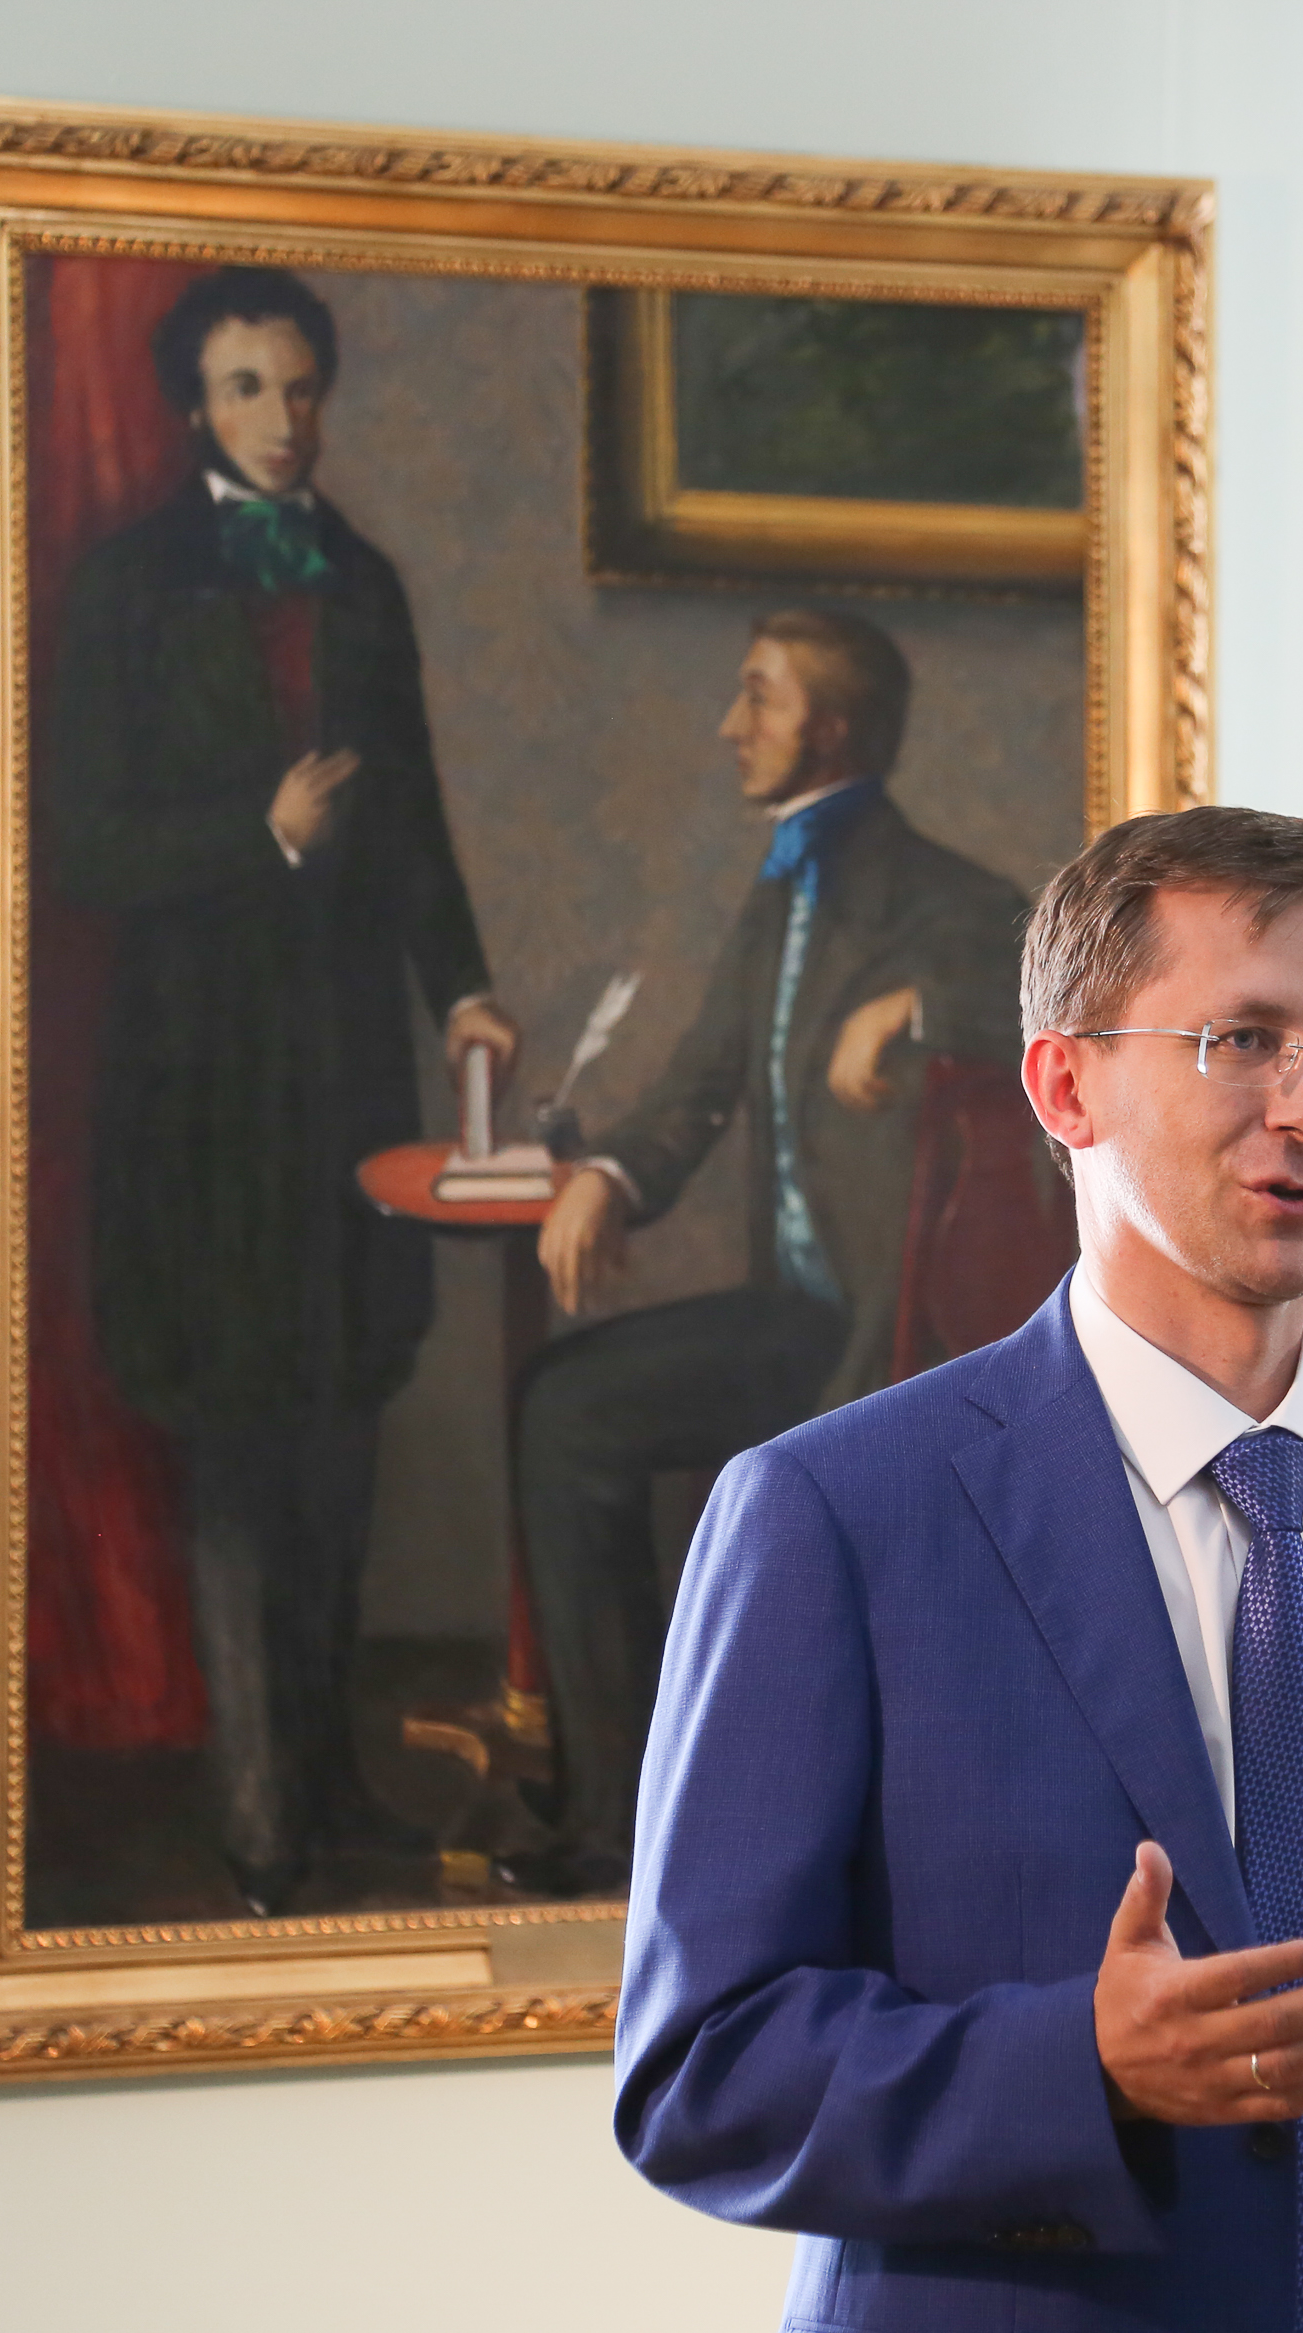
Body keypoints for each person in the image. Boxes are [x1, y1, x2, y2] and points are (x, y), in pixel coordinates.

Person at [613, 807, 1303, 2332]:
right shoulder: (832, 1514)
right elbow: (700, 2071)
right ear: (1065, 1084)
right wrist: (1085, 2063)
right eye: (1242, 1040)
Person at [42, 264, 521, 1917]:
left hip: (342, 1071)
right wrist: (258, 834)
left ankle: (327, 1784)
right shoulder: (127, 585)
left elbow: (415, 820)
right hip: (195, 1081)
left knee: (337, 1423)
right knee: (241, 1430)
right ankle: (259, 1823)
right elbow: (79, 842)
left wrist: (462, 984)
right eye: (249, 386)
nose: (284, 415)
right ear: (196, 404)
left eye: (303, 386)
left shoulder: (363, 582)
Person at [502, 607, 1027, 1899]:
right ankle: (626, 1811)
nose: (731, 724)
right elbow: (699, 1085)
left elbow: (1076, 1004)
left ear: (829, 729)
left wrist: (918, 1006)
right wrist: (611, 1177)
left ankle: (690, 1824)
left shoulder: (948, 899)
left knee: (582, 1417)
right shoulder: (783, 889)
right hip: (797, 1318)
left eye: (759, 698)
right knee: (562, 1405)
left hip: (901, 1339)